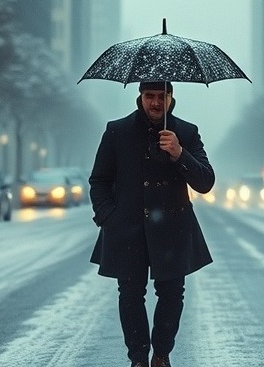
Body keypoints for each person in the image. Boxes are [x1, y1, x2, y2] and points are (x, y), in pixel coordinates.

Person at [89, 81, 214, 367]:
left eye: (161, 96)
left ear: (171, 97)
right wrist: (108, 217)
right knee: (130, 293)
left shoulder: (186, 132)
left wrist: (180, 153)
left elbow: (206, 181)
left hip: (173, 229)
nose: (155, 103)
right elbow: (99, 180)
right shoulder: (117, 131)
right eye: (149, 96)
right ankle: (137, 359)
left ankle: (161, 354)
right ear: (140, 97)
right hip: (127, 228)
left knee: (172, 293)